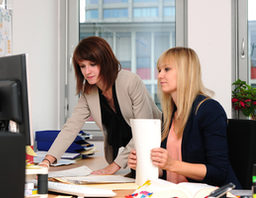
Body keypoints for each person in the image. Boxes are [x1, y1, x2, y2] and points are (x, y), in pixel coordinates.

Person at [39, 36, 162, 175]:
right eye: (82, 66)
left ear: (105, 61)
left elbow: (143, 130)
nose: (87, 71)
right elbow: (71, 127)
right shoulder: (89, 92)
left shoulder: (130, 81)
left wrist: (114, 166)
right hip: (130, 157)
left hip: (155, 149)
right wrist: (47, 160)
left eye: (92, 64)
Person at [128, 47, 241, 187]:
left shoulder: (209, 110)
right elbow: (167, 172)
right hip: (176, 192)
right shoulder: (170, 115)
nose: (160, 76)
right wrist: (142, 164)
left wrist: (172, 164)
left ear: (185, 72)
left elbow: (218, 172)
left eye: (167, 69)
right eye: (159, 70)